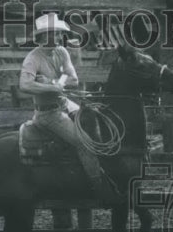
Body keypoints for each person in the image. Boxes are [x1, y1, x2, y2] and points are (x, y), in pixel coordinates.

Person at [19, 12, 120, 203]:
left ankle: (101, 168)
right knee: (84, 144)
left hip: (65, 103)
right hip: (48, 113)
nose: (59, 37)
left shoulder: (62, 52)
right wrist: (52, 87)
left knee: (94, 117)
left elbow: (74, 79)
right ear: (43, 36)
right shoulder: (33, 58)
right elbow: (24, 85)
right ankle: (98, 189)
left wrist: (53, 82)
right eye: (55, 33)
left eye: (59, 33)